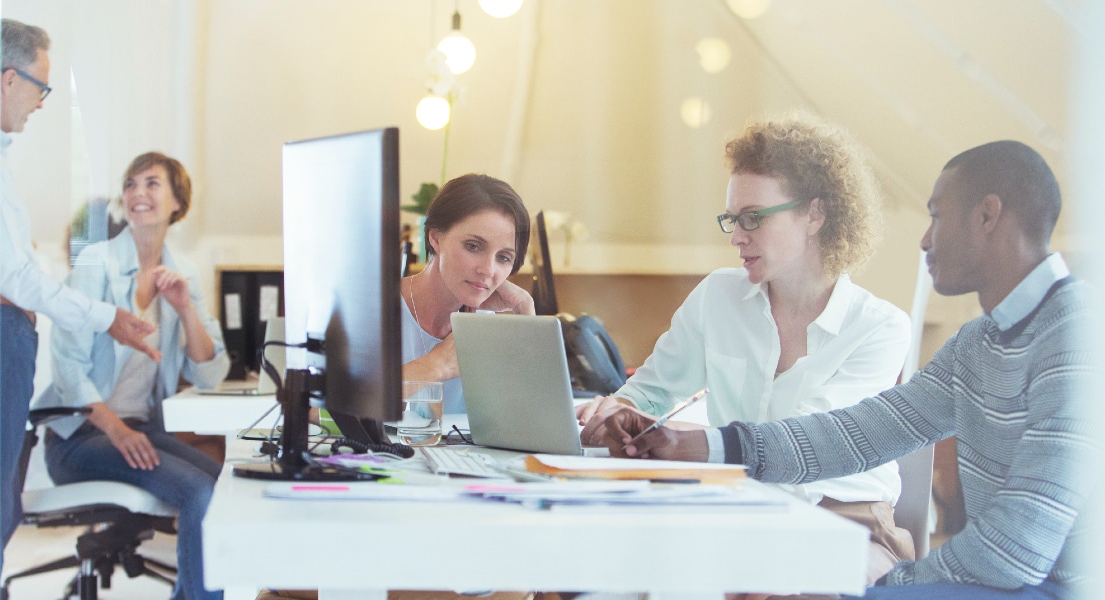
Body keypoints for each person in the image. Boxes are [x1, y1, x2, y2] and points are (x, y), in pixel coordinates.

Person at [601, 140, 1099, 600]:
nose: (925, 240)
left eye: (936, 216)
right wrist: (704, 446)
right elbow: (858, 434)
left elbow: (1016, 551)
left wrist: (868, 585)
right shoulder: (977, 343)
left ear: (988, 215)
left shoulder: (1077, 337)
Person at [577, 114, 914, 582]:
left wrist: (695, 453)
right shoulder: (718, 296)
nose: (737, 236)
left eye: (753, 218)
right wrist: (615, 412)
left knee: (769, 586)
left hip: (844, 519)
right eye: (732, 220)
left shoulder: (879, 329)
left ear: (815, 214)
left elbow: (810, 446)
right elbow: (649, 393)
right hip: (733, 509)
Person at [0, 20, 159, 599]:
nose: (43, 102)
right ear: (7, 78)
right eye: (42, 87)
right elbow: (13, 277)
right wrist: (107, 317)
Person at [32, 152, 228, 600]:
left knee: (223, 484)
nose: (139, 193)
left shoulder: (184, 273)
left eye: (153, 183)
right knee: (198, 492)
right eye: (132, 183)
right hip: (79, 437)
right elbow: (67, 369)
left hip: (137, 431)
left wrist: (185, 308)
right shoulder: (94, 263)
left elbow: (210, 370)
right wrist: (117, 431)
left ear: (178, 201)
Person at [401, 173, 535, 414]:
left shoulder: (484, 328)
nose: (488, 270)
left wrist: (525, 309)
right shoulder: (374, 308)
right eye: (473, 246)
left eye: (503, 258)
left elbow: (529, 422)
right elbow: (317, 411)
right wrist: (436, 365)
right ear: (435, 237)